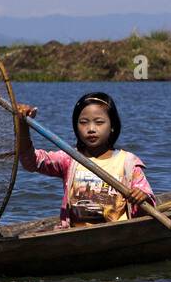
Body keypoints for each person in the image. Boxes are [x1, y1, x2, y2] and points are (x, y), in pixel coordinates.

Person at [15, 91, 152, 227]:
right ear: (76, 127)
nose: (91, 129)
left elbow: (147, 199)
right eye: (83, 122)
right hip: (76, 233)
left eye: (99, 122)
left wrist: (141, 196)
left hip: (117, 230)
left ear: (112, 126)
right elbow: (31, 162)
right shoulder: (70, 158)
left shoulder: (128, 162)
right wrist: (23, 126)